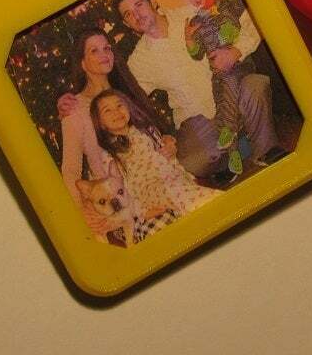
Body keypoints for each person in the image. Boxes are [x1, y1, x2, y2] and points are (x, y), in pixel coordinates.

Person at [117, 0, 285, 184]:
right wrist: (162, 137)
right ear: (126, 23)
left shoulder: (193, 13)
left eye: (139, 5)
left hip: (234, 95)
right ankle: (238, 148)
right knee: (192, 162)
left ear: (152, 1)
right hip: (198, 119)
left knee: (256, 86)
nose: (136, 15)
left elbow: (251, 20)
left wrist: (235, 51)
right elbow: (130, 105)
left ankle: (264, 149)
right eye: (128, 14)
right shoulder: (139, 61)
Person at [58, 29, 174, 208]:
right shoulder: (74, 109)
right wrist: (82, 213)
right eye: (94, 51)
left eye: (107, 48)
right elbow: (71, 170)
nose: (104, 54)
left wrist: (169, 142)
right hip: (121, 201)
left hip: (160, 178)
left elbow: (155, 132)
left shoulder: (126, 90)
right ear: (82, 63)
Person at [90, 89, 220, 243]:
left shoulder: (147, 131)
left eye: (119, 105)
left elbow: (168, 158)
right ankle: (218, 204)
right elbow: (120, 191)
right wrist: (142, 212)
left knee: (182, 201)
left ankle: (215, 210)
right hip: (148, 193)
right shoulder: (108, 155)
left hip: (173, 181)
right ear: (100, 123)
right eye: (107, 110)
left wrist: (174, 157)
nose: (116, 112)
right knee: (178, 195)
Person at [182, 0, 253, 177]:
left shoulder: (227, 5)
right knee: (221, 107)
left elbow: (242, 2)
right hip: (218, 75)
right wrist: (189, 40)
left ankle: (229, 131)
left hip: (239, 66)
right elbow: (197, 54)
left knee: (230, 87)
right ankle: (233, 153)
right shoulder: (196, 21)